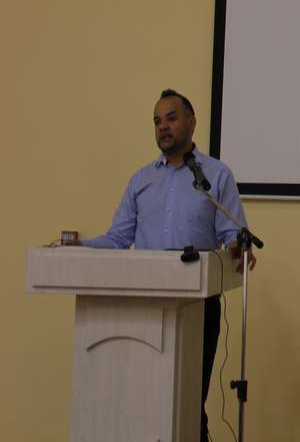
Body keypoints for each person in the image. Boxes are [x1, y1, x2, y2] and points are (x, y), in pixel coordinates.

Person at [79, 89, 255, 442]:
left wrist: (239, 246)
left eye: (171, 118)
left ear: (192, 123)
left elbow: (232, 233)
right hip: (143, 307)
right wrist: (77, 247)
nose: (163, 126)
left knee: (190, 403)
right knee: (146, 402)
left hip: (198, 306)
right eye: (157, 121)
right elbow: (118, 238)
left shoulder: (216, 176)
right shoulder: (141, 180)